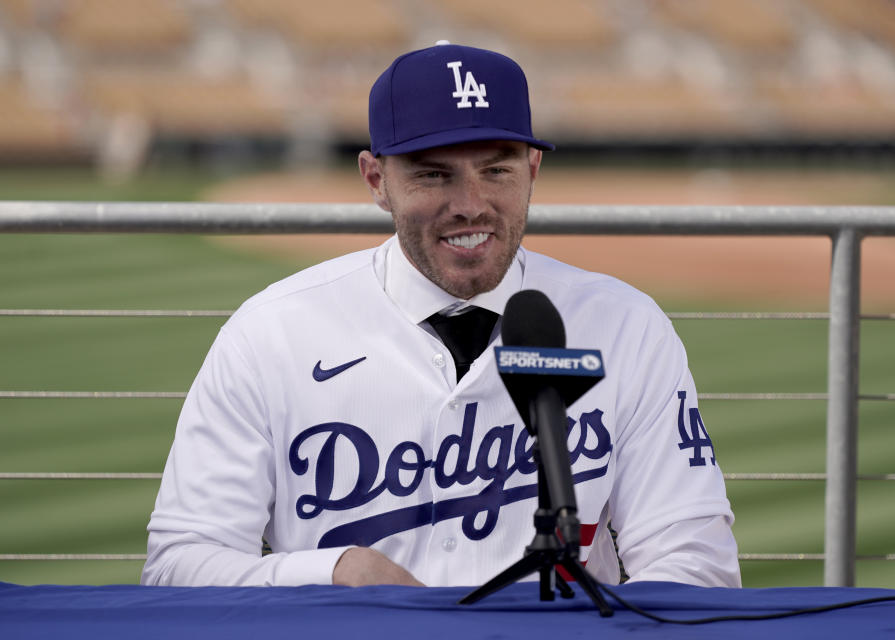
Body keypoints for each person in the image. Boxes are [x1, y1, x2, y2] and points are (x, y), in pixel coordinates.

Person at [141, 42, 741, 589]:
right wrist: (332, 571)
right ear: (376, 179)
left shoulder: (626, 326)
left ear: (532, 170)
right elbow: (178, 564)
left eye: (497, 169)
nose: (471, 205)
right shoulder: (269, 333)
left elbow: (693, 557)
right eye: (433, 173)